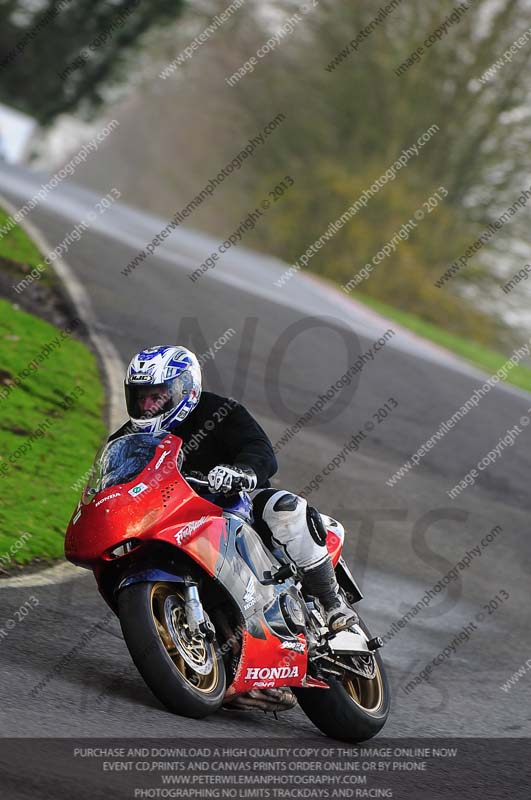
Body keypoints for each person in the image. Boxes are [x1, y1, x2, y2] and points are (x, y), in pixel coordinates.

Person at [109, 345, 356, 633]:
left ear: (184, 389)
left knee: (282, 508)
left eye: (157, 396)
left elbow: (259, 448)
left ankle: (330, 601)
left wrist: (242, 471)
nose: (147, 406)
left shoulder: (219, 411)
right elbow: (112, 479)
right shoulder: (126, 439)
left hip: (235, 507)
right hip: (171, 520)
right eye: (141, 398)